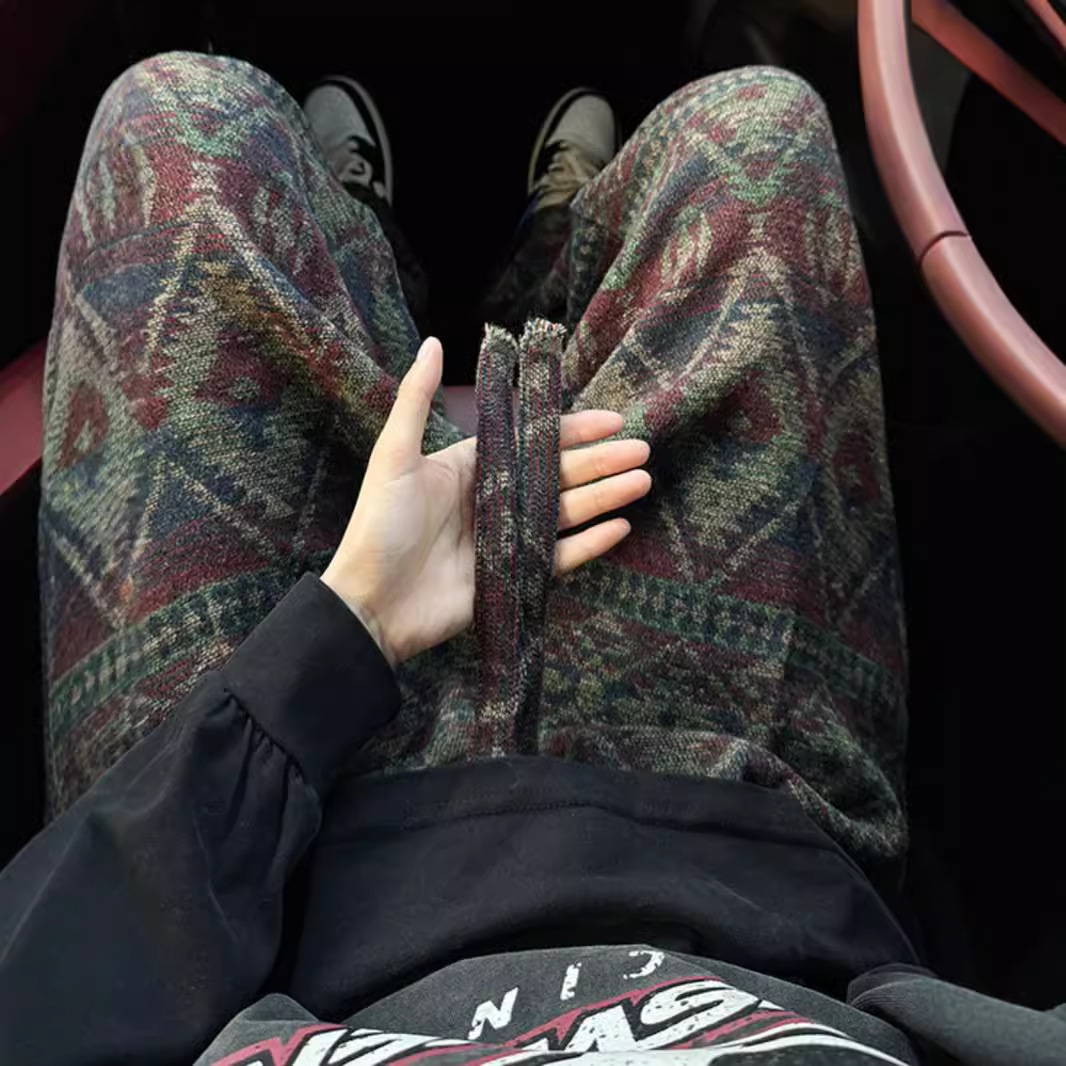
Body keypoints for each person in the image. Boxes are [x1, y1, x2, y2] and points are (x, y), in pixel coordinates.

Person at [0, 50, 1062, 1066]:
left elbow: (36, 1002)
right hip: (739, 837)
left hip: (257, 884)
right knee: (758, 133)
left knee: (175, 122)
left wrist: (343, 629)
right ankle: (544, 258)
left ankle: (361, 248)